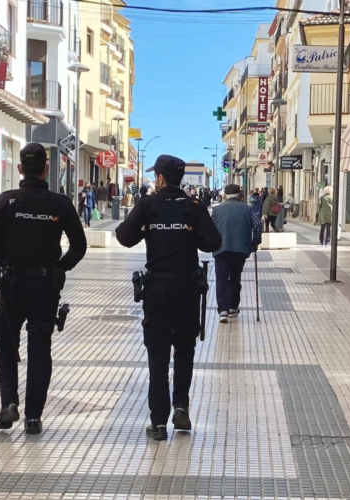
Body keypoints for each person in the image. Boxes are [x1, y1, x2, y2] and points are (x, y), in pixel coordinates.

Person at [115, 154, 222, 441]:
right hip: (187, 289)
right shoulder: (194, 206)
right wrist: (192, 236)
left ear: (160, 179)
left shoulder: (148, 205)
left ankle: (158, 422)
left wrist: (148, 229)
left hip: (158, 289)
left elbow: (123, 237)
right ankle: (181, 408)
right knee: (185, 350)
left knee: (158, 355)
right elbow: (213, 242)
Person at [0, 143, 87, 435]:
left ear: (20, 169)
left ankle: (9, 402)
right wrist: (60, 268)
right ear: (46, 168)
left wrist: (7, 263)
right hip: (45, 284)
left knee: (5, 340)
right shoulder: (59, 204)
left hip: (12, 282)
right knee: (40, 347)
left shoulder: (7, 201)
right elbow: (79, 246)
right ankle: (33, 417)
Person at [211, 185, 263, 323]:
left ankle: (223, 310)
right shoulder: (247, 209)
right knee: (235, 277)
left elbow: (209, 228)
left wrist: (211, 243)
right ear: (239, 195)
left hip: (220, 249)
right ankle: (233, 307)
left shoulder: (216, 210)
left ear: (225, 195)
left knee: (221, 278)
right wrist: (255, 242)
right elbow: (258, 224)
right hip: (240, 248)